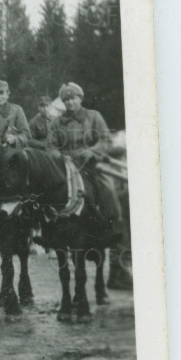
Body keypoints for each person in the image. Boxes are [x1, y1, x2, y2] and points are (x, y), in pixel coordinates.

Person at [49, 82, 125, 241]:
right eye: (66, 100)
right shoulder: (56, 123)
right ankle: (50, 230)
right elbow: (50, 145)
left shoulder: (94, 116)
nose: (70, 102)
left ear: (80, 98)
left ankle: (115, 226)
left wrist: (91, 151)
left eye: (73, 98)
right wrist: (59, 156)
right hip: (66, 165)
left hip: (91, 163)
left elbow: (105, 139)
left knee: (107, 187)